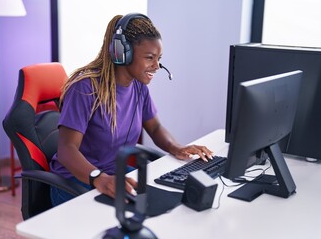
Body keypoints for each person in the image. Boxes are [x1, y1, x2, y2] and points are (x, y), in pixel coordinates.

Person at [50, 13, 213, 206]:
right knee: (134, 218)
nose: (157, 66)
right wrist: (99, 178)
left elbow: (154, 128)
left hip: (114, 174)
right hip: (76, 181)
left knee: (171, 203)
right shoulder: (85, 88)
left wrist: (176, 147)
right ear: (122, 53)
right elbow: (66, 150)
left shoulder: (138, 87)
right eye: (150, 58)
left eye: (159, 58)